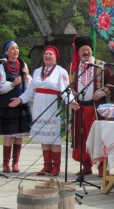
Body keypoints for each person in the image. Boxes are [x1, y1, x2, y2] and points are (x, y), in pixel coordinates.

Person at [9, 46, 79, 176]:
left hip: (53, 106)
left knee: (53, 137)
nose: (47, 56)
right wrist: (20, 99)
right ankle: (47, 165)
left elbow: (65, 90)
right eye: (46, 54)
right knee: (43, 137)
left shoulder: (61, 71)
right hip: (39, 106)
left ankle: (56, 167)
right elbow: (31, 90)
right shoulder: (37, 72)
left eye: (50, 54)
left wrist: (71, 101)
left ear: (56, 58)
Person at [69, 35, 114, 177]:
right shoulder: (73, 67)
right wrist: (71, 93)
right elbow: (68, 84)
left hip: (96, 109)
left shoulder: (101, 65)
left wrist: (101, 92)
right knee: (81, 136)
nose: (86, 53)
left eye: (88, 50)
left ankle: (102, 166)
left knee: (98, 137)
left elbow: (112, 83)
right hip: (79, 108)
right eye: (83, 50)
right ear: (78, 52)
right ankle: (86, 165)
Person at [0, 41, 33, 173]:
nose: (16, 51)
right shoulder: (2, 67)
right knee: (9, 134)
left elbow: (30, 84)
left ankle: (16, 163)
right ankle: (6, 163)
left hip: (21, 103)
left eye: (17, 48)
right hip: (8, 103)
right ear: (6, 52)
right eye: (12, 49)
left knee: (19, 134)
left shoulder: (23, 64)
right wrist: (12, 84)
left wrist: (26, 75)